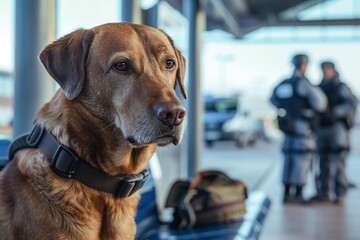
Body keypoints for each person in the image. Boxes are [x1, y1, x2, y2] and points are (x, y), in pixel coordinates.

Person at [270, 54, 327, 203]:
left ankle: (287, 193)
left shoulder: (284, 83)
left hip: (287, 128)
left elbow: (273, 99)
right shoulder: (303, 83)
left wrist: (287, 107)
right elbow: (320, 103)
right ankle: (298, 194)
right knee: (302, 158)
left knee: (288, 158)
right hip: (302, 128)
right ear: (304, 66)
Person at [314, 61, 358, 204]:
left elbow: (351, 102)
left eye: (326, 69)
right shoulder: (319, 87)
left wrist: (335, 113)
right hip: (322, 128)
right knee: (323, 162)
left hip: (337, 128)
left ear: (332, 70)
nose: (324, 72)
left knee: (339, 162)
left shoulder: (340, 86)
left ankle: (340, 193)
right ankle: (324, 192)